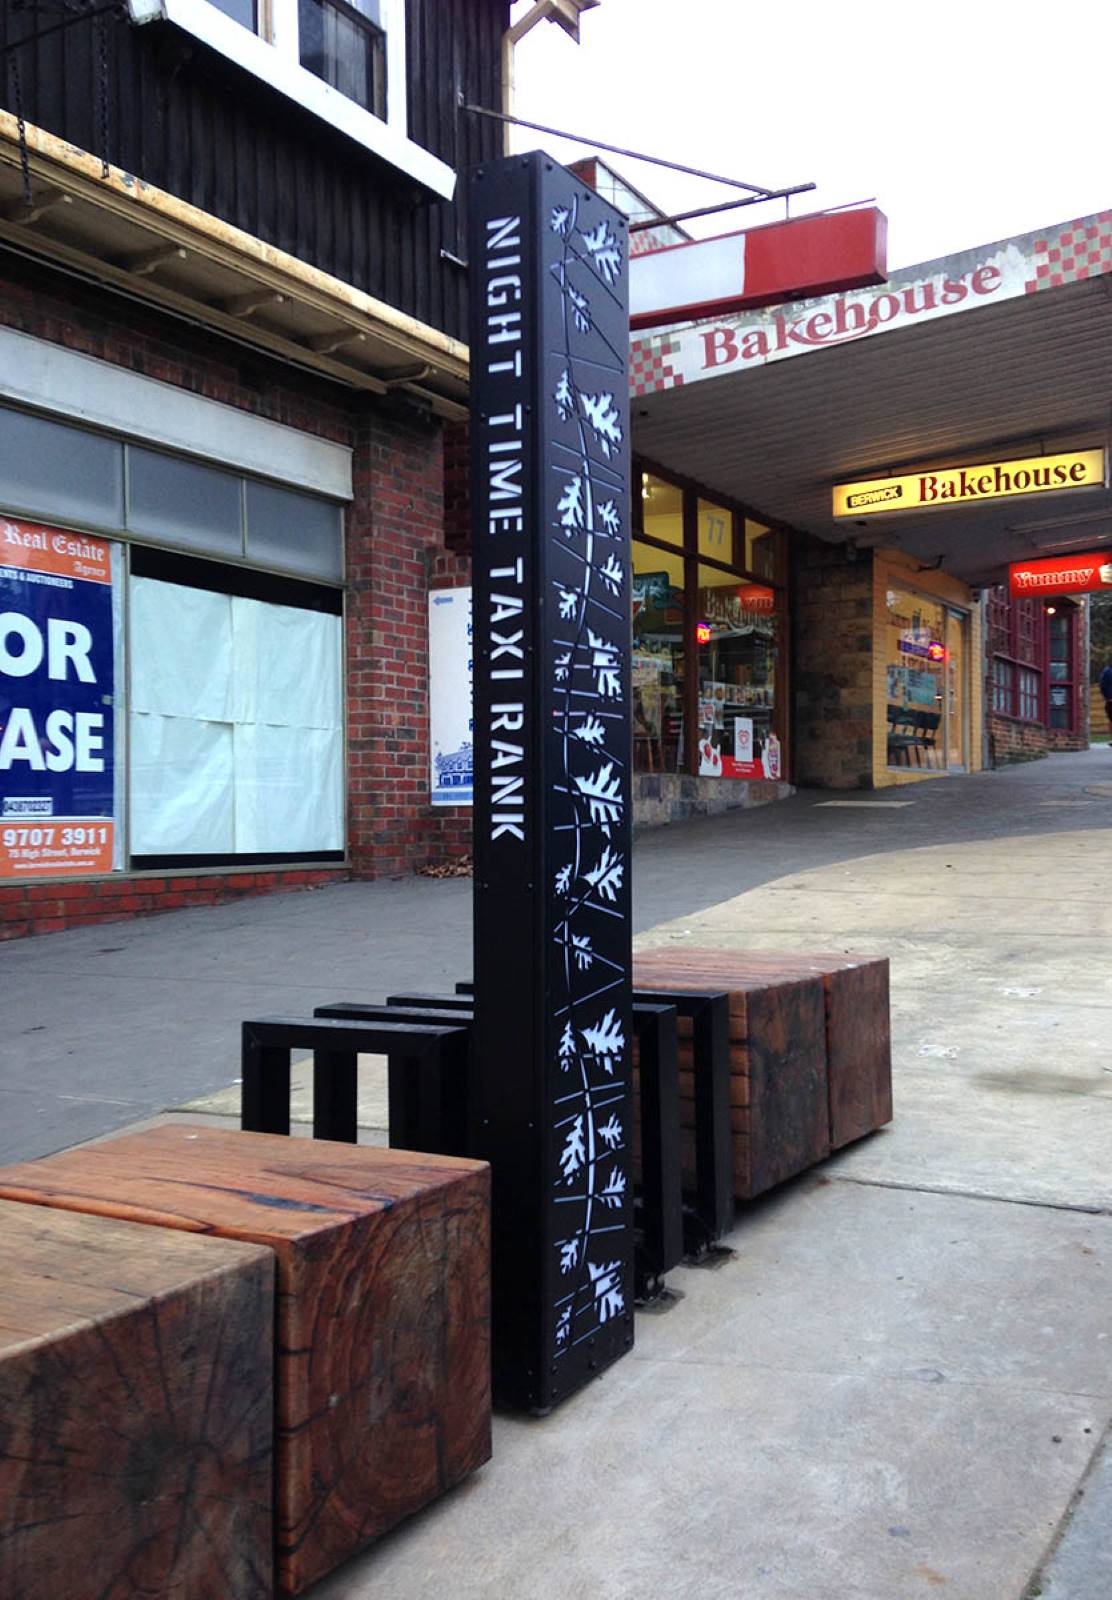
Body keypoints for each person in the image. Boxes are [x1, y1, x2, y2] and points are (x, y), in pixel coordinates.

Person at [1102, 659, 1112, 740]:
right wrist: (1108, 697)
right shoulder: (1108, 671)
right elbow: (1103, 686)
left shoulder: (1107, 671)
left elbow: (1103, 686)